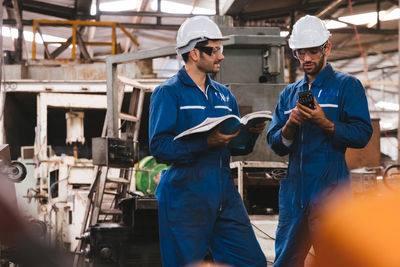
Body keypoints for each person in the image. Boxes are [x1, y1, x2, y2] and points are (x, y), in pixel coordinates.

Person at [149, 16, 267, 267]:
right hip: (185, 194)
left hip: (223, 192)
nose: (220, 56)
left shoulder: (224, 95)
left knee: (251, 261)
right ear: (194, 53)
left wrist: (252, 133)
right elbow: (159, 147)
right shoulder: (169, 92)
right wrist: (206, 142)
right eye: (214, 50)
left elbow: (238, 147)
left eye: (219, 49)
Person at [267, 15, 373, 267]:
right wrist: (290, 126)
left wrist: (325, 123)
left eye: (312, 52)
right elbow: (275, 143)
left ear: (327, 48)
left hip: (331, 190)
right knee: (286, 261)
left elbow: (362, 134)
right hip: (295, 191)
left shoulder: (347, 87)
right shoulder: (289, 94)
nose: (306, 59)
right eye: (300, 53)